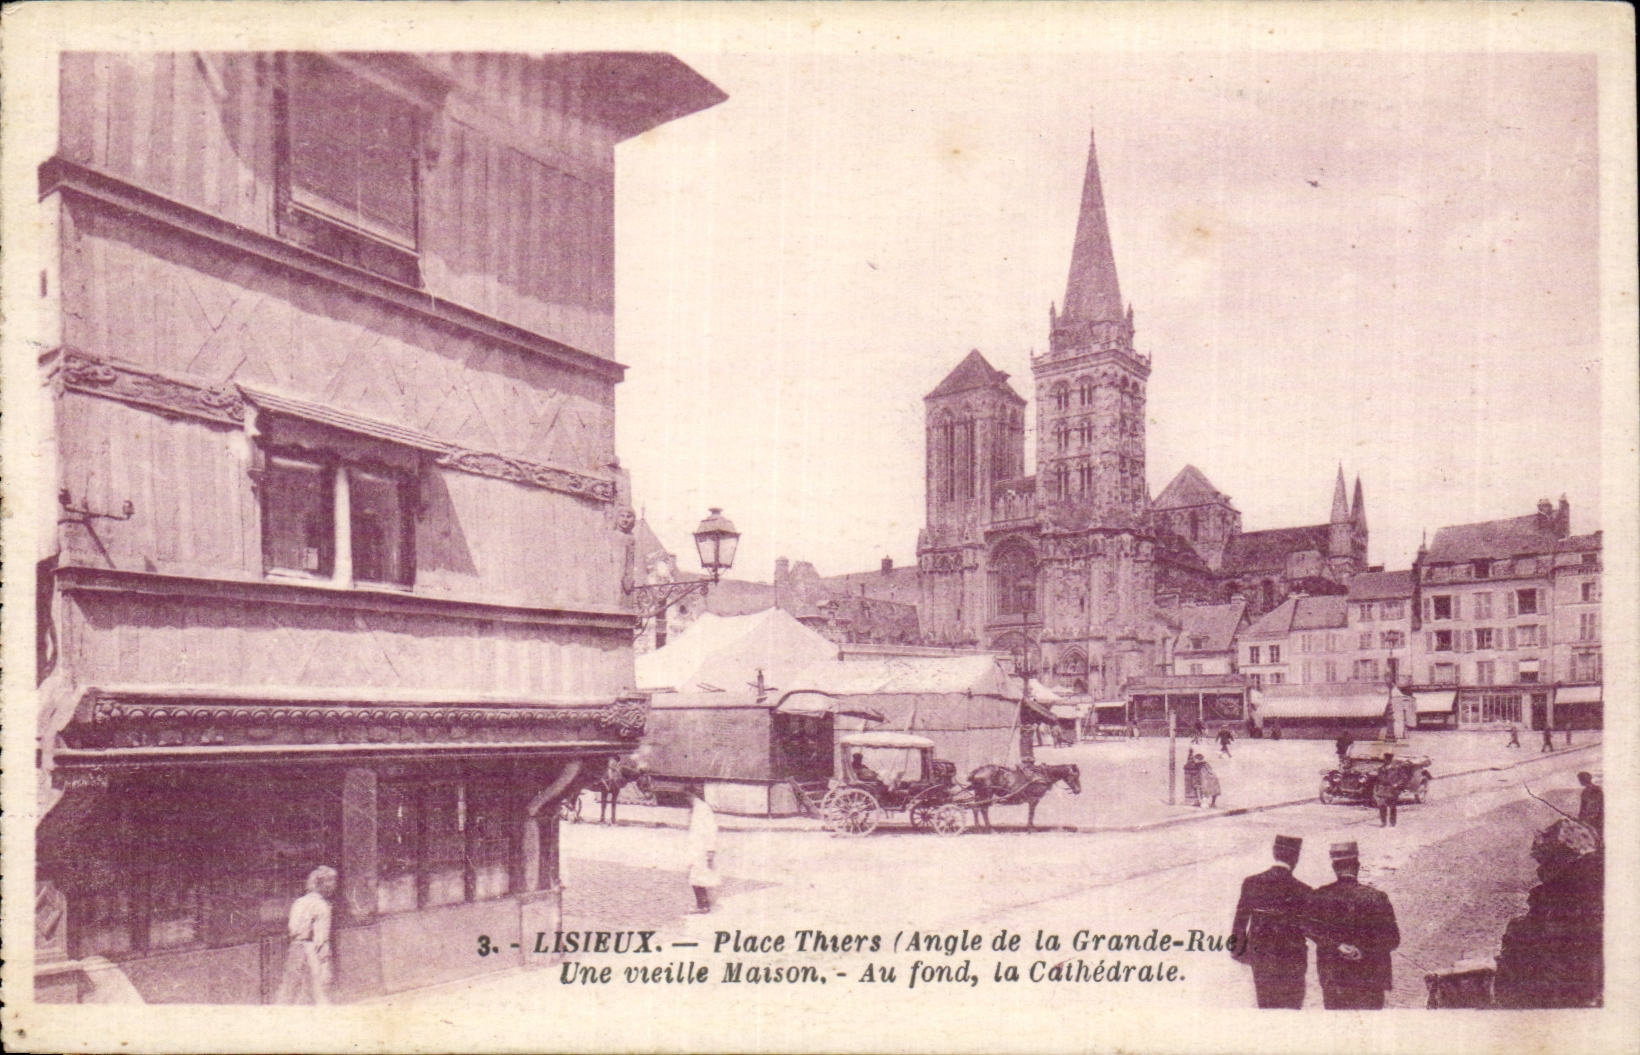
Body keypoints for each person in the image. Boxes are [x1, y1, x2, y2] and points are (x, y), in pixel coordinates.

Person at [1493, 818, 1603, 1008]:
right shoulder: (1600, 881)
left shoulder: (1556, 894)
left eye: (1544, 861)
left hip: (1566, 993)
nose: (1540, 869)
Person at [1304, 842, 1400, 1009]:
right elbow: (1393, 940)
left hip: (1334, 979)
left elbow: (1308, 928)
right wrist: (1362, 950)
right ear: (1357, 866)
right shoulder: (1377, 897)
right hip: (1370, 979)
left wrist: (1337, 946)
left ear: (1334, 867)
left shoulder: (1320, 896)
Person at [1230, 835, 1312, 1008]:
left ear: (1274, 853)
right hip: (1293, 957)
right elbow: (1309, 927)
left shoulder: (1251, 882)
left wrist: (1237, 951)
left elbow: (1240, 920)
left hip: (1261, 954)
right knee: (1292, 1007)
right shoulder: (1304, 890)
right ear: (1296, 857)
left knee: (1265, 1003)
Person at [276, 865, 337, 1004]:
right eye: (331, 881)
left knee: (290, 991)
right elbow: (321, 938)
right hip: (312, 952)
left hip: (295, 948)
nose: (334, 886)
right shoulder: (322, 906)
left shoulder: (299, 902)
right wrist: (325, 964)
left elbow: (292, 928)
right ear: (321, 884)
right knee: (319, 994)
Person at [685, 785, 720, 914]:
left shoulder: (703, 809)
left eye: (688, 796)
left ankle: (703, 905)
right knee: (696, 876)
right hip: (696, 848)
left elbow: (711, 829)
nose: (687, 799)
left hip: (702, 849)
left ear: (692, 795)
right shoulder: (696, 808)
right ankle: (703, 904)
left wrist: (711, 850)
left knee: (698, 877)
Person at [1374, 752, 1406, 828]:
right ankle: (1383, 822)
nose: (1386, 761)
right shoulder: (1381, 768)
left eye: (1388, 759)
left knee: (1392, 807)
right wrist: (1377, 789)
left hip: (1392, 790)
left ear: (1390, 760)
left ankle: (1392, 823)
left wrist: (1397, 784)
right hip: (1383, 789)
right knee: (1382, 806)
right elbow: (1377, 780)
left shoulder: (1397, 768)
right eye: (1385, 759)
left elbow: (1403, 778)